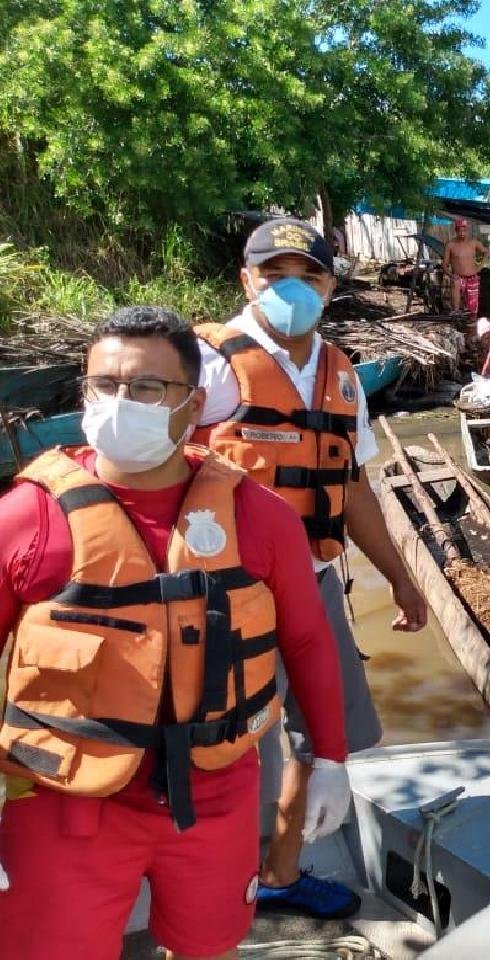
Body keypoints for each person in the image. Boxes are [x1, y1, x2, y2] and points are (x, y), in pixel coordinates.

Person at [0, 307, 350, 960]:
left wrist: (330, 758)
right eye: (103, 385)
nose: (119, 402)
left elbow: (305, 642)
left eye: (145, 388)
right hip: (63, 802)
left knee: (208, 947)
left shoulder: (260, 516)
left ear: (191, 408)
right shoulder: (26, 516)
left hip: (215, 796)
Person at [193, 217, 428, 921]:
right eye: (274, 273)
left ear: (331, 285)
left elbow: (351, 489)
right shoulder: (208, 365)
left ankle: (280, 873)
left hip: (318, 583)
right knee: (211, 742)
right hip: (220, 593)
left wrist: (402, 575)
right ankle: (203, 884)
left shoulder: (341, 372)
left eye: (309, 275)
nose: (291, 288)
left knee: (325, 738)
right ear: (246, 280)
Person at [444, 217, 488, 318]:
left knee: (472, 308)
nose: (462, 233)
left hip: (472, 277)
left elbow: (486, 252)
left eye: (464, 230)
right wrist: (451, 275)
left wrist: (480, 267)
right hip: (458, 277)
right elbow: (445, 265)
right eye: (459, 230)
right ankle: (456, 313)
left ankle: (472, 323)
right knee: (456, 283)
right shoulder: (450, 245)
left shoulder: (474, 243)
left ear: (467, 230)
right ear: (456, 231)